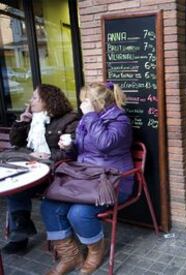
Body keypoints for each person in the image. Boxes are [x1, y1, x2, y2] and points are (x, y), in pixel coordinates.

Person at [40, 82, 134, 275]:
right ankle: (70, 256)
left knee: (79, 213)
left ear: (97, 102)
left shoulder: (120, 121)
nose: (82, 104)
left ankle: (96, 251)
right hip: (86, 179)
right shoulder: (89, 120)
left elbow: (105, 144)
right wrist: (70, 145)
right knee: (49, 205)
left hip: (112, 182)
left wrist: (90, 115)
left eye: (86, 100)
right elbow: (84, 150)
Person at [1, 84, 79, 254]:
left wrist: (47, 155)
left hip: (54, 174)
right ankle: (20, 234)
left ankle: (21, 233)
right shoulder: (34, 119)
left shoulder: (70, 119)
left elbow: (70, 152)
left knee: (17, 191)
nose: (31, 101)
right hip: (32, 168)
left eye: (35, 97)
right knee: (14, 188)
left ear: (48, 100)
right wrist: (22, 122)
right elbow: (16, 142)